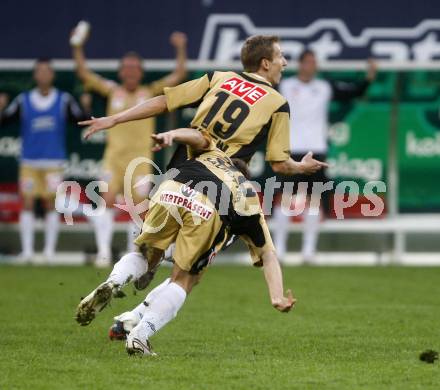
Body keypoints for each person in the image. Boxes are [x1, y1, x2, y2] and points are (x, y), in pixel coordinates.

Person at [77, 35, 328, 335]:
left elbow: (165, 101)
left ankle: (123, 298)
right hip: (221, 187)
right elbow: (278, 163)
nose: (285, 62)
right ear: (265, 63)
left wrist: (115, 119)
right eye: (281, 57)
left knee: (148, 252)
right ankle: (139, 328)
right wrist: (302, 167)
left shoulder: (218, 77)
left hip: (179, 172)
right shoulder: (277, 102)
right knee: (190, 274)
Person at [76, 127, 296, 356]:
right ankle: (139, 336)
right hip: (205, 210)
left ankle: (114, 282)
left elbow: (197, 135)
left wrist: (171, 135)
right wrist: (277, 297)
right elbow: (268, 255)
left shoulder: (215, 155)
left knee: (145, 256)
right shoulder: (248, 195)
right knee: (185, 279)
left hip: (171, 189)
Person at [71, 26, 187, 267]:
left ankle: (131, 252)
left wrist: (181, 48)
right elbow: (84, 73)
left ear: (141, 72)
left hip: (140, 162)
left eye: (135, 67)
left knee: (140, 208)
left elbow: (179, 74)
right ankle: (103, 253)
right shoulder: (112, 91)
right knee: (106, 200)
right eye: (127, 67)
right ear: (121, 72)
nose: (131, 71)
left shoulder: (151, 93)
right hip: (113, 159)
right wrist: (77, 46)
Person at [272, 50, 377, 264]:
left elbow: (354, 92)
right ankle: (279, 250)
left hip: (316, 150)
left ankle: (309, 250)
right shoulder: (284, 86)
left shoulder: (324, 87)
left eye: (314, 62)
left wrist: (369, 77)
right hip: (290, 150)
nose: (311, 66)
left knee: (314, 200)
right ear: (300, 64)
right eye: (307, 62)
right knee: (284, 198)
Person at [0, 58, 91, 263]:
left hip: (53, 162)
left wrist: (87, 108)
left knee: (51, 204)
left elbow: (79, 121)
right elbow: (5, 121)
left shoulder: (63, 99)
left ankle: (49, 252)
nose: (43, 75)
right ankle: (28, 252)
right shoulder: (23, 100)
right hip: (29, 162)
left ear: (52, 75)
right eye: (39, 72)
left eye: (46, 71)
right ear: (35, 75)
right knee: (28, 203)